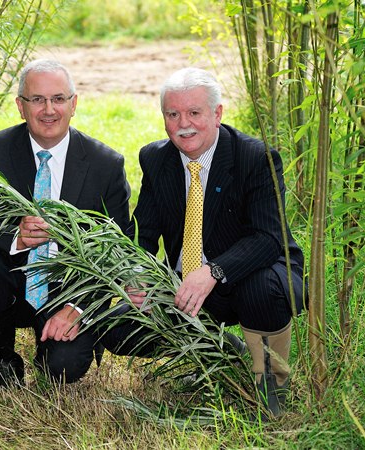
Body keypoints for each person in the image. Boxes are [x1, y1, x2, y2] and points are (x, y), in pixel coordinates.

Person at [102, 68, 307, 417]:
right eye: (173, 114)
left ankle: (271, 384)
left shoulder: (256, 158)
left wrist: (214, 270)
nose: (184, 124)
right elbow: (145, 233)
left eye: (194, 112)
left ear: (217, 114)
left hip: (250, 275)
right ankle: (222, 349)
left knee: (263, 289)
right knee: (117, 327)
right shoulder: (154, 158)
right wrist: (138, 275)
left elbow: (268, 238)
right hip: (185, 287)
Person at [0, 59, 131, 388]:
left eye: (58, 99)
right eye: (37, 99)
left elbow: (118, 250)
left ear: (74, 104)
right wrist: (17, 238)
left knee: (62, 368)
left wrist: (78, 308)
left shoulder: (106, 164)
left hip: (70, 289)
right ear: (21, 107)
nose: (48, 109)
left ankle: (49, 352)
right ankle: (3, 360)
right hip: (14, 282)